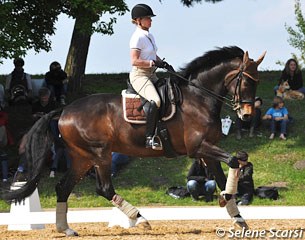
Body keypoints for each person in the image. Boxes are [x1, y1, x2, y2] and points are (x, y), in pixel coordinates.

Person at [129, 4, 171, 150]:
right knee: (156, 100)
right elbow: (134, 60)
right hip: (140, 76)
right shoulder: (137, 37)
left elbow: (153, 54)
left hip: (151, 74)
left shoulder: (149, 35)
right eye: (148, 18)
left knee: (169, 92)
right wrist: (151, 62)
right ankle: (149, 137)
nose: (151, 21)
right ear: (138, 20)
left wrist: (161, 62)